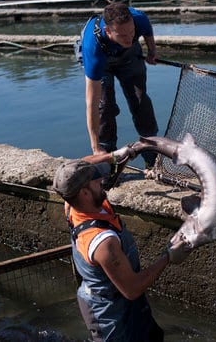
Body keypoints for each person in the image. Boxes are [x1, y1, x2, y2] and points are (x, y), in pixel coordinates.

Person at [52, 145, 191, 341]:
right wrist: (168, 256)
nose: (102, 181)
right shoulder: (103, 243)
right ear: (84, 193)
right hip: (111, 315)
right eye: (97, 182)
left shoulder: (72, 201)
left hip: (113, 297)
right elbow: (132, 289)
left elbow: (76, 169)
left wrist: (115, 156)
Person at [77, 2, 159, 169]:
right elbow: (91, 104)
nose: (129, 38)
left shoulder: (139, 19)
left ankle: (152, 158)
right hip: (103, 57)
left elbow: (147, 30)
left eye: (131, 32)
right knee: (104, 106)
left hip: (129, 56)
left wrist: (152, 52)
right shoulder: (92, 49)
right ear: (108, 31)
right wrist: (95, 147)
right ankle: (108, 159)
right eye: (123, 35)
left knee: (140, 100)